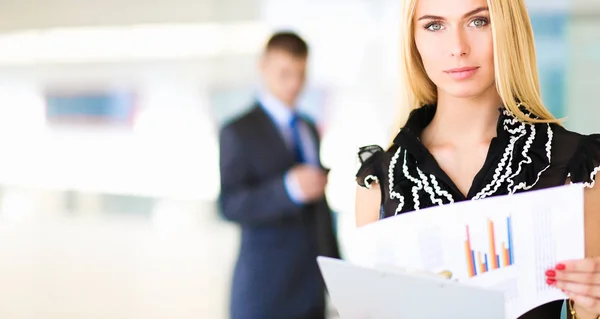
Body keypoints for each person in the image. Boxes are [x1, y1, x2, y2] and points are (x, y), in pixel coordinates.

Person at [354, 0, 600, 318]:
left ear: (508, 29)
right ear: (412, 40)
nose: (457, 47)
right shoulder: (379, 183)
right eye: (434, 25)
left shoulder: (578, 168)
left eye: (478, 22)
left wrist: (590, 308)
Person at [218, 31, 340, 319]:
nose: (295, 84)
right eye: (285, 73)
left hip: (311, 292)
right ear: (263, 67)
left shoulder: (309, 128)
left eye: (301, 74)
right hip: (264, 293)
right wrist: (288, 190)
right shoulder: (238, 130)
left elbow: (319, 212)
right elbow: (229, 204)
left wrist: (338, 276)